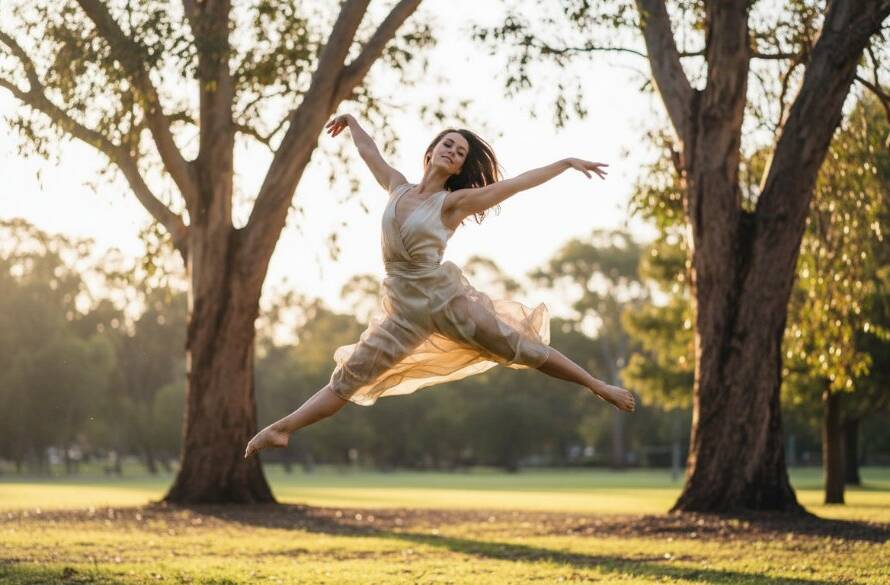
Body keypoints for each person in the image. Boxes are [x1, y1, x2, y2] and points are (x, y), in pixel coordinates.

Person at [244, 115, 635, 459]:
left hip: (444, 299)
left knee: (520, 345)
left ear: (460, 166)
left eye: (461, 152)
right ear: (431, 151)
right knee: (347, 380)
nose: (453, 152)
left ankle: (597, 385)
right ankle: (282, 429)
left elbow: (515, 185)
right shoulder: (397, 186)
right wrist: (350, 120)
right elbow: (369, 152)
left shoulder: (455, 203)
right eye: (447, 144)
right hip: (403, 313)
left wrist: (565, 163)